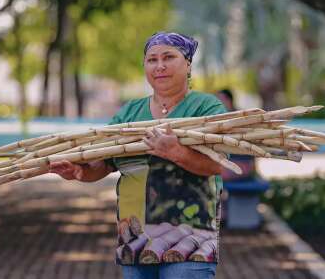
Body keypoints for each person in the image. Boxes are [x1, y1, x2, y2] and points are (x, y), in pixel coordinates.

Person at [49, 32, 227, 279]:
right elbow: (104, 163)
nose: (160, 66)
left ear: (187, 64)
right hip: (135, 237)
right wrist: (81, 172)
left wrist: (175, 152)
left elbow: (217, 165)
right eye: (152, 60)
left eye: (169, 57)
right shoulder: (130, 112)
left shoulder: (206, 108)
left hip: (190, 238)